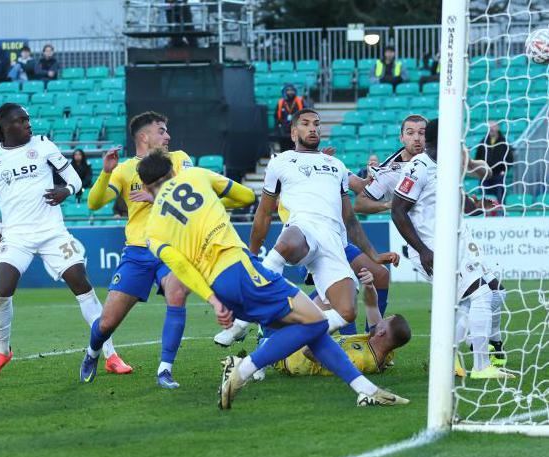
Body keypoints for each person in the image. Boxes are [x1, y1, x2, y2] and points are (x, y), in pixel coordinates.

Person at [137, 151, 408, 409]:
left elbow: (183, 269)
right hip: (242, 269)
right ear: (173, 169)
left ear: (147, 190)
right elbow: (243, 196)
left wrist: (212, 300)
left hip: (220, 288)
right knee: (315, 320)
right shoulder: (195, 175)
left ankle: (367, 391)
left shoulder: (153, 231)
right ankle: (241, 369)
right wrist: (212, 202)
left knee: (311, 328)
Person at [0, 103, 130, 378]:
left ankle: (110, 354)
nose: (28, 124)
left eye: (28, 119)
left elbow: (75, 179)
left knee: (82, 285)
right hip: (16, 235)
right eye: (21, 120)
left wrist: (67, 190)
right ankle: (2, 351)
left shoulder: (44, 145)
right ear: (5, 126)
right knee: (2, 291)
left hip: (52, 232)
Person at [82, 112, 209, 389]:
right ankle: (92, 354)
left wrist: (156, 197)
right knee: (107, 323)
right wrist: (105, 173)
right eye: (162, 131)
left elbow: (188, 189)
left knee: (176, 294)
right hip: (138, 252)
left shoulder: (178, 158)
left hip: (172, 248)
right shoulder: (125, 170)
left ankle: (165, 370)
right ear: (144, 137)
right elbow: (94, 203)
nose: (168, 136)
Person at [249, 109, 399, 339]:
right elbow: (263, 213)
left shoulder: (335, 164)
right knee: (288, 249)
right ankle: (258, 324)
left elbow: (350, 213)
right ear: (293, 132)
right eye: (306, 124)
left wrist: (374, 253)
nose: (312, 128)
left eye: (316, 124)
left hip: (334, 241)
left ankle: (284, 330)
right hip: (302, 236)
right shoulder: (281, 162)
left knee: (349, 307)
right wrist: (252, 254)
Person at [391, 119, 511, 379]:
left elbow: (455, 201)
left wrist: (479, 205)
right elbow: (398, 211)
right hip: (432, 248)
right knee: (479, 294)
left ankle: (444, 356)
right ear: (440, 140)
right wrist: (423, 250)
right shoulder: (419, 167)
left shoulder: (447, 165)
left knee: (496, 292)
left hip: (456, 242)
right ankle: (481, 366)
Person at [273, 270, 412, 377]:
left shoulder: (360, 361)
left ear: (382, 333)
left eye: (384, 320)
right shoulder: (382, 347)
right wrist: (369, 284)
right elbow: (372, 306)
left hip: (288, 357)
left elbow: (308, 352)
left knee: (326, 300)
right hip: (294, 339)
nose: (380, 320)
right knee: (333, 297)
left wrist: (330, 325)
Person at [474, 121, 512, 202]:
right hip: (486, 174)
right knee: (484, 197)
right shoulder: (483, 142)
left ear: (498, 128)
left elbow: (509, 159)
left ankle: (500, 212)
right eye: (490, 127)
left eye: (493, 126)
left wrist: (504, 170)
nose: (491, 129)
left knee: (500, 196)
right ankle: (485, 212)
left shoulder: (504, 142)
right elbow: (478, 158)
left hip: (498, 174)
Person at [274, 84, 304, 152]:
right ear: (284, 91)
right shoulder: (280, 103)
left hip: (297, 133)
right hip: (284, 134)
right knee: (284, 154)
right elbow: (276, 118)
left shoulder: (300, 101)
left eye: (292, 90)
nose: (290, 92)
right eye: (288, 90)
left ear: (295, 91)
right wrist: (278, 132)